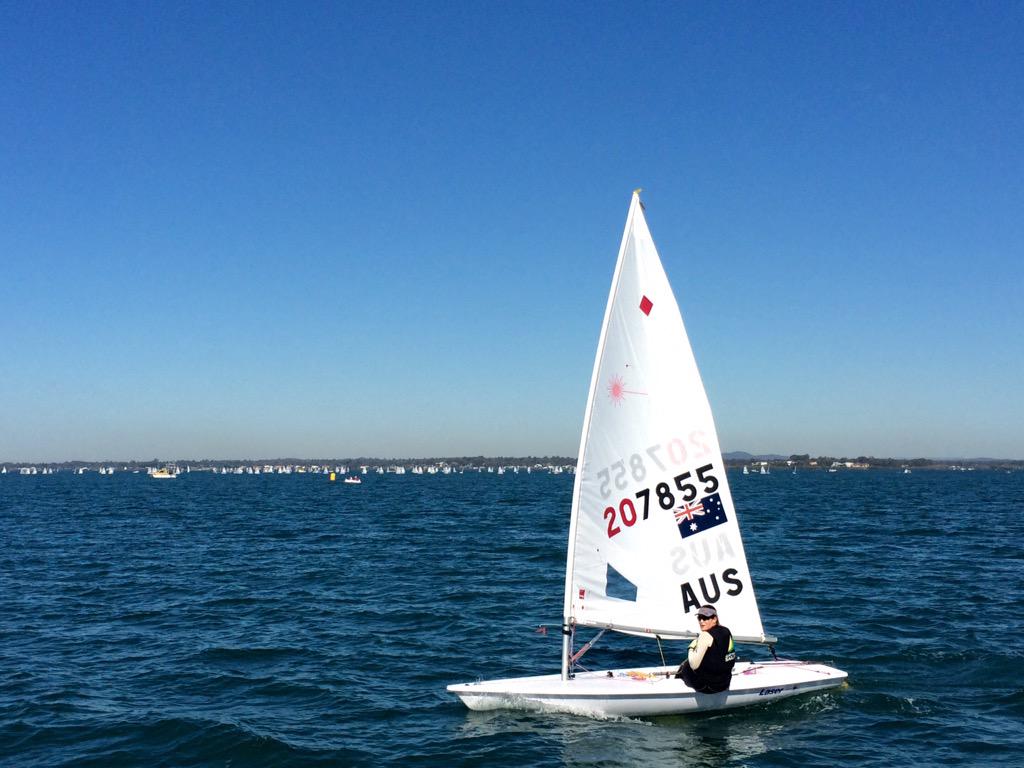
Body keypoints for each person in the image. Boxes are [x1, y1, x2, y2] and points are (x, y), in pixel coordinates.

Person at [674, 604, 736, 693]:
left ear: (714, 619)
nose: (701, 621)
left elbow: (694, 664)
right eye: (699, 618)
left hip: (709, 688)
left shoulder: (705, 635)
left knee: (686, 666)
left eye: (705, 618)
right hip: (725, 683)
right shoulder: (726, 631)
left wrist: (692, 646)